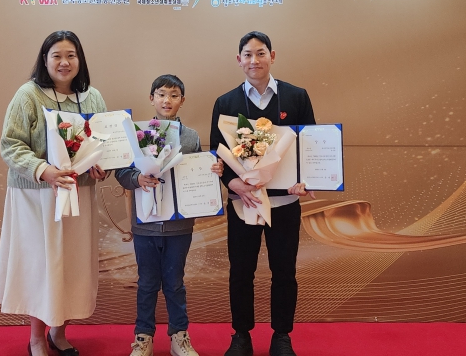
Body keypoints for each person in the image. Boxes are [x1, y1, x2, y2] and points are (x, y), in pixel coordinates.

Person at [0, 30, 109, 356]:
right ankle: (36, 338)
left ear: (80, 60)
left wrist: (102, 167)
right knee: (42, 266)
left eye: (71, 55)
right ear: (45, 60)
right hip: (37, 197)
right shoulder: (28, 95)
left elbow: (105, 145)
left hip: (78, 195)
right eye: (56, 55)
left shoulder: (93, 98)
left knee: (72, 265)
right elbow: (10, 145)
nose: (64, 62)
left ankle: (59, 332)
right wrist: (43, 170)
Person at [209, 32, 316, 356]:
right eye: (247, 54)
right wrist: (232, 183)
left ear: (272, 55)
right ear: (238, 59)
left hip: (285, 202)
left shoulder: (296, 97)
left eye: (260, 53)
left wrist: (304, 181)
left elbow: (309, 145)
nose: (254, 60)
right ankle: (241, 335)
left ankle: (281, 336)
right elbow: (217, 153)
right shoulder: (226, 103)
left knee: (284, 271)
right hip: (244, 203)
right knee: (241, 272)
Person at [115, 74, 223, 356]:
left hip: (179, 226)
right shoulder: (137, 133)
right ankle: (143, 338)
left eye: (174, 95)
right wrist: (137, 178)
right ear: (151, 98)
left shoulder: (191, 137)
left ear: (182, 101)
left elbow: (198, 171)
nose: (167, 100)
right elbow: (122, 172)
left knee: (175, 283)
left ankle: (179, 336)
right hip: (145, 225)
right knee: (147, 283)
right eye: (161, 94)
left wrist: (213, 170)